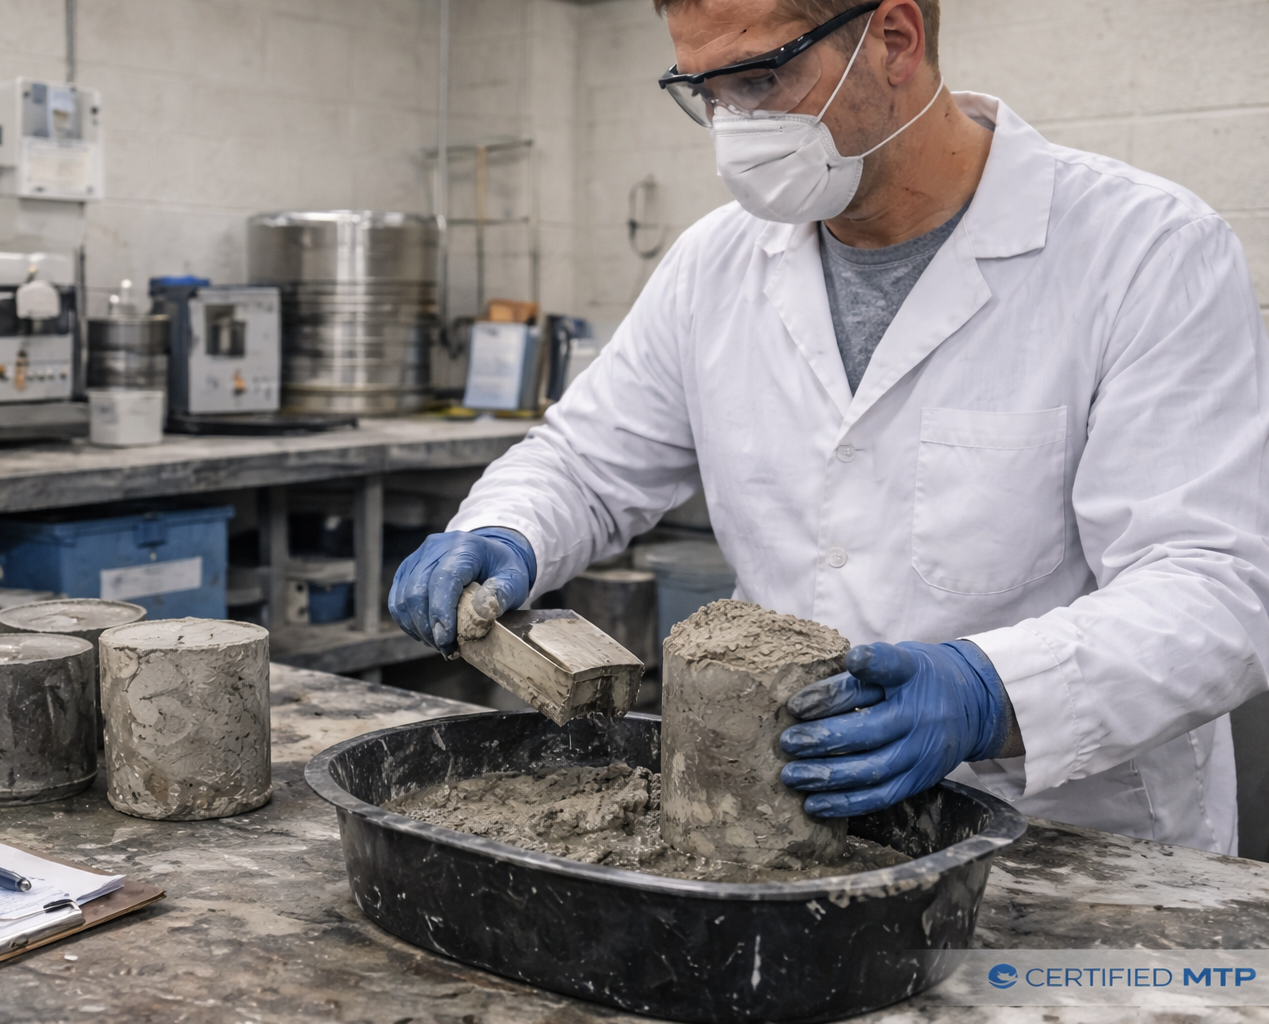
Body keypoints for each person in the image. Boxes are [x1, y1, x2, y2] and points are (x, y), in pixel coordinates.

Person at [389, 0, 1269, 854]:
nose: (733, 127)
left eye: (759, 78)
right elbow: (586, 461)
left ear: (895, 39)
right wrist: (505, 529)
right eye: (704, 91)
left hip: (1068, 844)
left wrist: (991, 691)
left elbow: (1215, 586)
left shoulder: (1146, 250)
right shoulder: (714, 262)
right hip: (779, 819)